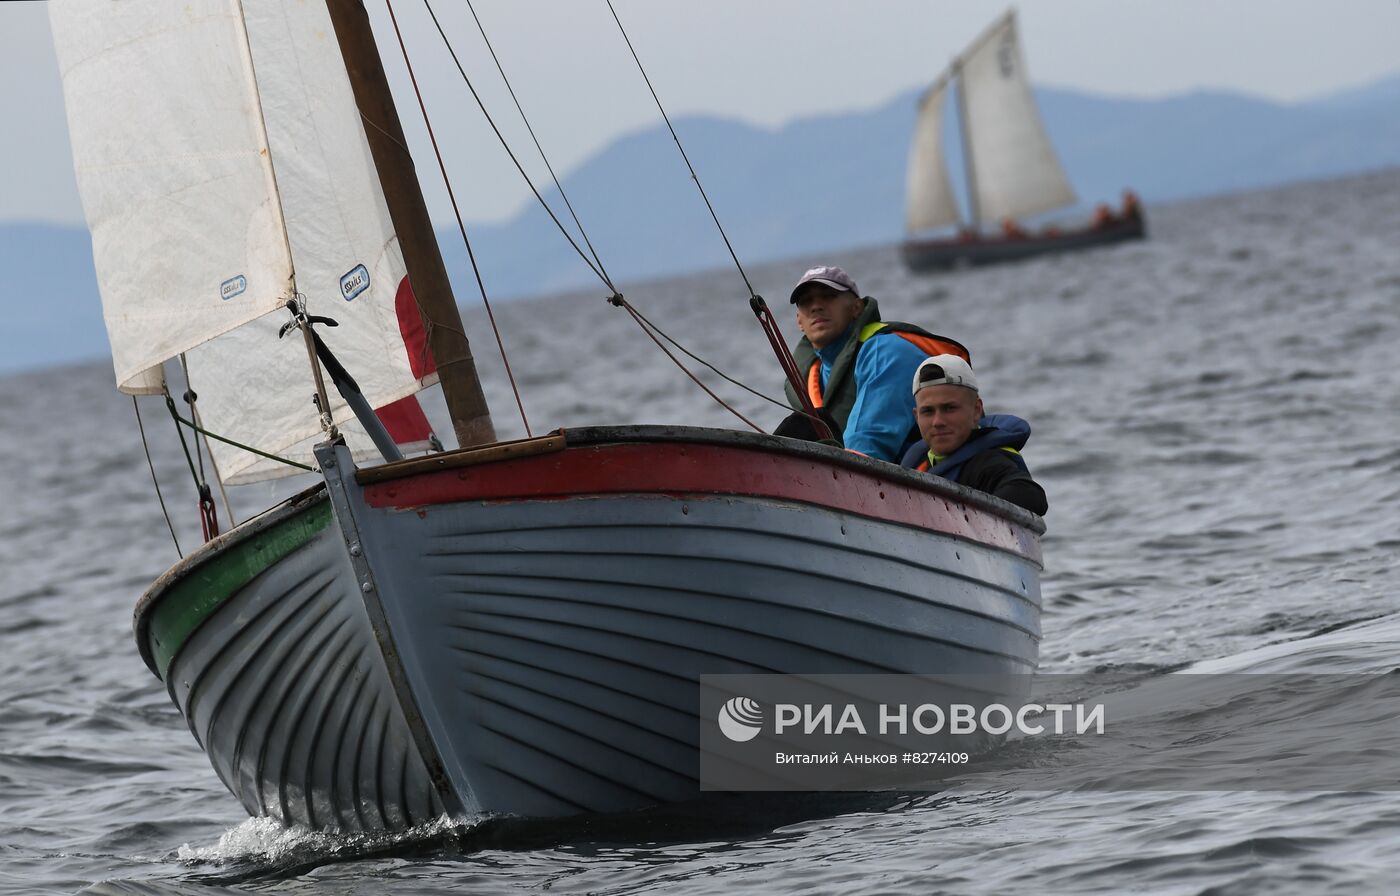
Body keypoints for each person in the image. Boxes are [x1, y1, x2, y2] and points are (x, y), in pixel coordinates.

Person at [776, 265, 969, 464]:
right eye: (806, 301)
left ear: (857, 308)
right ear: (799, 321)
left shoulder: (887, 351)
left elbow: (868, 446)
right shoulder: (810, 375)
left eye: (828, 296)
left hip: (923, 479)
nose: (816, 306)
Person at [899, 355, 1047, 515]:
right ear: (916, 417)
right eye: (928, 411)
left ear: (977, 410)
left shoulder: (989, 464)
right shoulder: (917, 463)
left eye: (949, 408)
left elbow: (1031, 495)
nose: (937, 421)